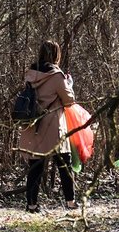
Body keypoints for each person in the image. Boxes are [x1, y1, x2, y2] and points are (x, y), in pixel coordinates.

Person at [17, 40, 77, 212]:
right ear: (56, 55)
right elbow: (69, 100)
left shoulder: (30, 74)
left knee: (35, 166)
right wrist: (70, 85)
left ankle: (31, 204)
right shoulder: (56, 76)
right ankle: (70, 202)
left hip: (33, 126)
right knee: (64, 164)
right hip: (53, 126)